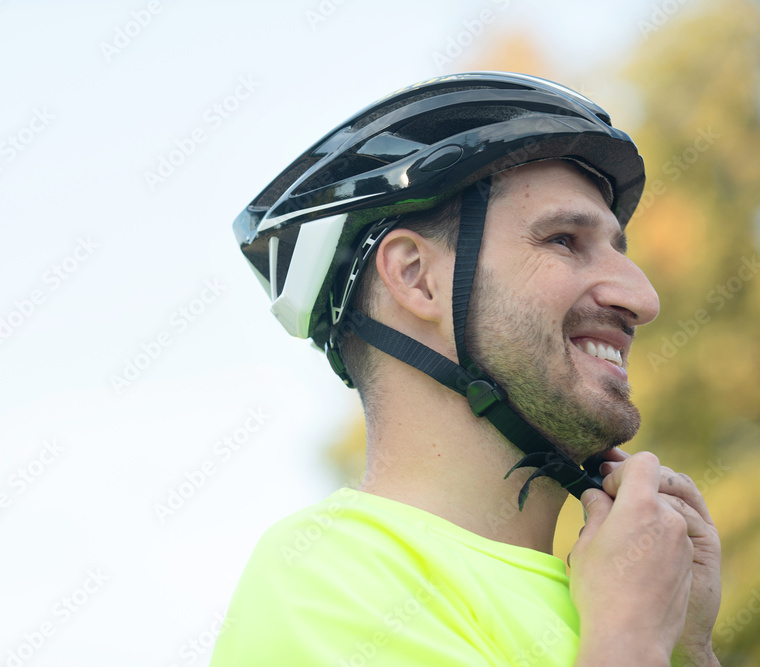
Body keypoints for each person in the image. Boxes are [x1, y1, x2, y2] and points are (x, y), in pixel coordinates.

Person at [211, 72, 722, 666]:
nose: (643, 298)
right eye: (563, 240)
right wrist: (632, 637)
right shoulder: (325, 579)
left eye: (618, 249)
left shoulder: (614, 596)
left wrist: (688, 649)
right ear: (416, 278)